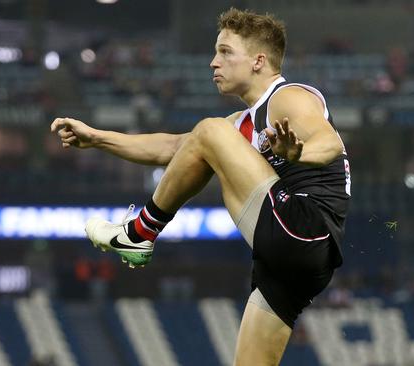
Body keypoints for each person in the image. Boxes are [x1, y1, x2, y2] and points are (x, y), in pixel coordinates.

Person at [51, 8, 351, 365]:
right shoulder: (240, 123)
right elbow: (174, 149)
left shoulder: (288, 97)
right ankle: (139, 233)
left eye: (225, 52)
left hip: (301, 228)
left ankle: (139, 233)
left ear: (258, 61)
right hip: (294, 259)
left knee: (208, 131)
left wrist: (300, 154)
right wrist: (98, 138)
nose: (213, 62)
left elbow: (330, 144)